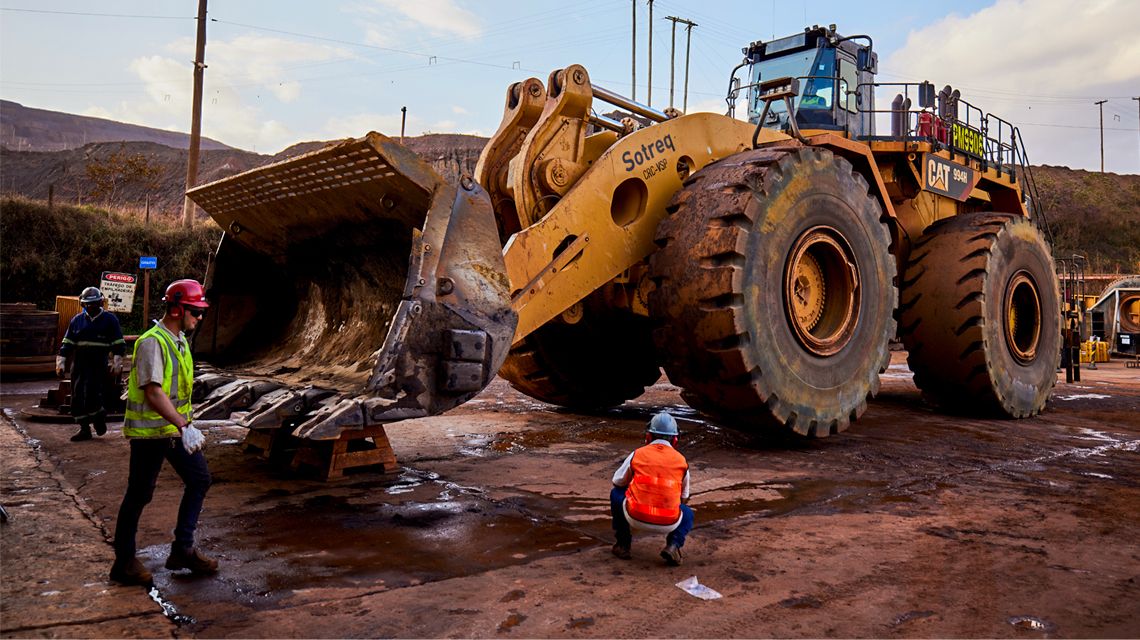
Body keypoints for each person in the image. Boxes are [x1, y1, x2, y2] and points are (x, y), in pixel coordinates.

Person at [109, 279, 216, 586]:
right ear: (177, 308)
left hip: (173, 431)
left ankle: (183, 549)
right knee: (139, 494)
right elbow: (154, 393)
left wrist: (185, 425)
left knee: (200, 480)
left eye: (201, 313)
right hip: (151, 435)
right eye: (195, 312)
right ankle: (124, 562)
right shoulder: (152, 342)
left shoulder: (179, 341)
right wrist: (185, 425)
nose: (199, 318)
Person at [610, 412, 695, 566]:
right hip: (670, 522)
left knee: (616, 494)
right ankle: (673, 546)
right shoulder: (682, 461)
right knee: (688, 513)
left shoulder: (638, 454)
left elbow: (617, 482)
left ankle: (623, 545)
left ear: (648, 437)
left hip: (635, 516)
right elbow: (684, 498)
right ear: (675, 440)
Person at [57, 287, 126, 442]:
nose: (91, 307)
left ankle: (99, 418)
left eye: (94, 304)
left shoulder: (110, 320)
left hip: (98, 363)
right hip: (79, 364)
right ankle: (84, 428)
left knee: (92, 394)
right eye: (88, 304)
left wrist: (117, 362)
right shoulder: (77, 320)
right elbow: (67, 343)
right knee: (77, 395)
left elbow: (118, 343)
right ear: (83, 304)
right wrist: (61, 362)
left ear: (100, 302)